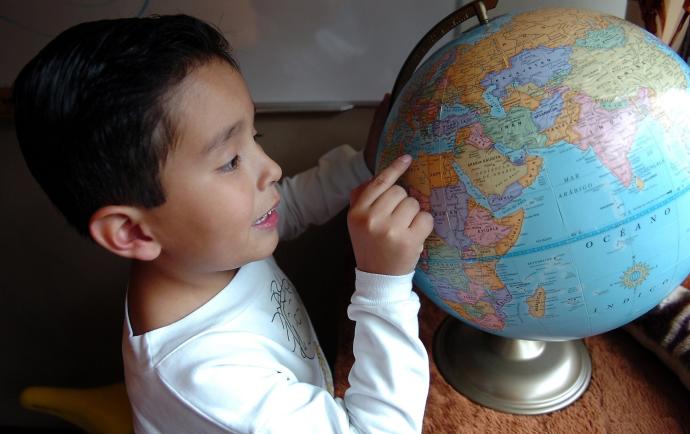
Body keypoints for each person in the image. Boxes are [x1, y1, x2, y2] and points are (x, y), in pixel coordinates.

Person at [12, 14, 433, 434]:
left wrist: (361, 166)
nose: (270, 168)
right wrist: (384, 285)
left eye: (256, 137)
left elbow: (287, 206)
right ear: (133, 232)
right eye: (231, 160)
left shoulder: (199, 251)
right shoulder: (209, 376)